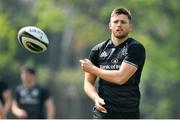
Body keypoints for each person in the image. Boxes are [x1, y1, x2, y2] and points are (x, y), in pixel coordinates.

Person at [80, 7, 146, 119]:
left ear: (130, 27)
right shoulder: (98, 50)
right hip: (103, 112)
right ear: (110, 25)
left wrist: (93, 69)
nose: (119, 25)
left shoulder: (135, 48)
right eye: (116, 21)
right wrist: (96, 98)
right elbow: (88, 83)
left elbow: (120, 78)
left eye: (123, 22)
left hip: (128, 112)